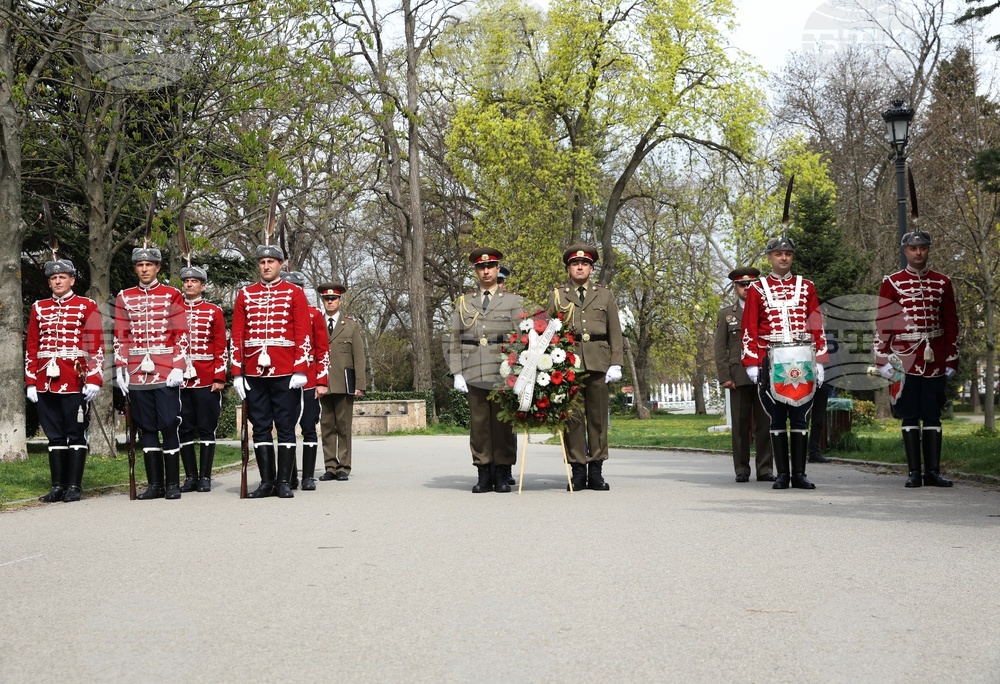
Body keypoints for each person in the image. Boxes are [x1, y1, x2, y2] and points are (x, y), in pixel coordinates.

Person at [741, 236, 828, 490]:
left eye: (788, 253)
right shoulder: (757, 289)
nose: (783, 258)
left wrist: (820, 361)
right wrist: (751, 362)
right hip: (771, 360)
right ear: (770, 257)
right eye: (778, 254)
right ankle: (781, 475)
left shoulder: (806, 286)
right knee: (777, 417)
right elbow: (749, 326)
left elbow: (816, 324)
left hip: (803, 360)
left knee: (800, 417)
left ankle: (799, 474)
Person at [874, 231, 959, 488]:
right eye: (913, 248)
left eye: (922, 247)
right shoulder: (892, 282)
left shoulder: (943, 282)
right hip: (905, 358)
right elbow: (883, 322)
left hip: (935, 358)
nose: (918, 252)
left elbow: (951, 322)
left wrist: (951, 358)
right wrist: (881, 358)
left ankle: (933, 472)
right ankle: (913, 472)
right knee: (909, 414)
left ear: (929, 249)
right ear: (905, 251)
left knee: (932, 414)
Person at [231, 243, 311, 499]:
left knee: (286, 426)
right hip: (254, 372)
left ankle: (284, 481)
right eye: (262, 262)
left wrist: (300, 368)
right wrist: (237, 372)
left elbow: (303, 332)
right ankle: (267, 482)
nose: (266, 266)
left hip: (286, 370)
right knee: (260, 426)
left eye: (271, 262)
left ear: (281, 264)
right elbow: (238, 335)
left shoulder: (294, 293)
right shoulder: (245, 294)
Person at [25, 257, 104, 502]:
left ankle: (74, 486)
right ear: (49, 282)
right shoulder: (39, 307)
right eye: (53, 278)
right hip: (45, 380)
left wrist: (94, 378)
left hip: (75, 378)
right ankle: (57, 486)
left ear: (72, 280)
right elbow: (32, 346)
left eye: (62, 277)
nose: (58, 281)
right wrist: (30, 382)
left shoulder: (87, 305)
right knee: (54, 435)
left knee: (75, 433)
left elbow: (96, 345)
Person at [546, 243, 623, 492]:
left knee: (598, 418)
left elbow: (615, 331)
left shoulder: (605, 295)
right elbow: (547, 332)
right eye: (575, 264)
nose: (580, 267)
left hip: (599, 363)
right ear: (568, 268)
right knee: (574, 418)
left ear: (591, 269)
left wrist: (616, 362)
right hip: (568, 365)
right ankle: (578, 469)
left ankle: (596, 469)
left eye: (585, 264)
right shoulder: (558, 295)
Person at [114, 244, 189, 500]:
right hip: (137, 371)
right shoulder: (124, 297)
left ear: (158, 267)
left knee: (168, 423)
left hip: (166, 370)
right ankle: (155, 485)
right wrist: (121, 367)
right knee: (146, 426)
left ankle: (172, 483)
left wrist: (179, 366)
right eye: (139, 265)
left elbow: (181, 332)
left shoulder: (172, 294)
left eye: (148, 265)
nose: (144, 269)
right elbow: (121, 335)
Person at [450, 247, 524, 493]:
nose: (486, 271)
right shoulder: (464, 301)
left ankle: (502, 472)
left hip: (502, 370)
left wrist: (520, 370)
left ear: (497, 269)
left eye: (490, 266)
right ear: (476, 271)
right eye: (481, 267)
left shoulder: (513, 301)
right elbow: (455, 338)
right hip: (473, 368)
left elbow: (522, 337)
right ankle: (483, 472)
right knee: (479, 424)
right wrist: (457, 372)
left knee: (503, 424)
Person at [714, 267, 775, 483]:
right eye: (742, 285)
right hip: (738, 376)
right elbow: (720, 348)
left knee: (765, 423)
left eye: (751, 284)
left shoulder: (767, 312)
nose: (747, 288)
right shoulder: (727, 315)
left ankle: (765, 469)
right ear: (735, 288)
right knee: (740, 425)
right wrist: (724, 376)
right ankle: (741, 469)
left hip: (765, 373)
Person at [177, 265, 227, 493]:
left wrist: (219, 376)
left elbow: (220, 346)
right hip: (180, 379)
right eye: (186, 281)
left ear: (203, 286)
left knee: (207, 427)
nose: (189, 284)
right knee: (184, 427)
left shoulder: (213, 311)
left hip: (206, 377)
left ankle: (205, 477)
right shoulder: (174, 310)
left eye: (194, 281)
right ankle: (190, 477)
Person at [283, 271, 329, 490]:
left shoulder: (314, 314)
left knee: (309, 426)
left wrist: (321, 381)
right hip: (285, 379)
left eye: (296, 287)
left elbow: (322, 350)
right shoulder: (279, 316)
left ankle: (308, 476)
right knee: (286, 427)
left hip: (309, 379)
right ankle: (289, 476)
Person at [317, 282, 366, 482]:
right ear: (323, 301)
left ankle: (344, 467)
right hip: (322, 382)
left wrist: (360, 384)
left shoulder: (351, 325)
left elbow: (359, 356)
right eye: (326, 299)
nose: (330, 302)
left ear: (340, 300)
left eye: (333, 298)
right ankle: (330, 466)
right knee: (327, 426)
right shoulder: (315, 323)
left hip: (345, 382)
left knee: (344, 427)